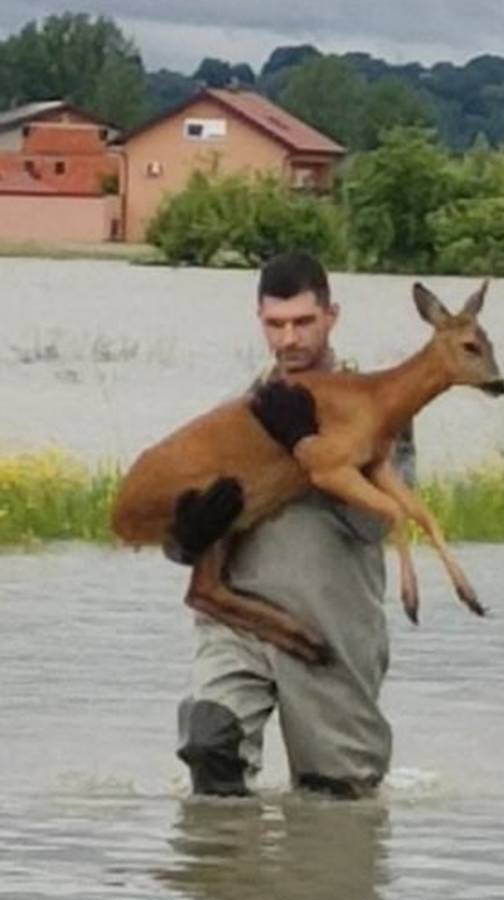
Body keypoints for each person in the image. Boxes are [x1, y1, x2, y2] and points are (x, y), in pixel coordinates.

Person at [174, 251, 414, 799]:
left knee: (337, 801)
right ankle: (236, 881)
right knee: (211, 748)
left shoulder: (378, 414)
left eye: (303, 322)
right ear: (259, 321)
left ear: (332, 316)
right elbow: (184, 545)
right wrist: (185, 538)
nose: (289, 340)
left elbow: (380, 525)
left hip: (332, 630)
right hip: (240, 622)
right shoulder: (235, 416)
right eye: (275, 324)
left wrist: (307, 450)